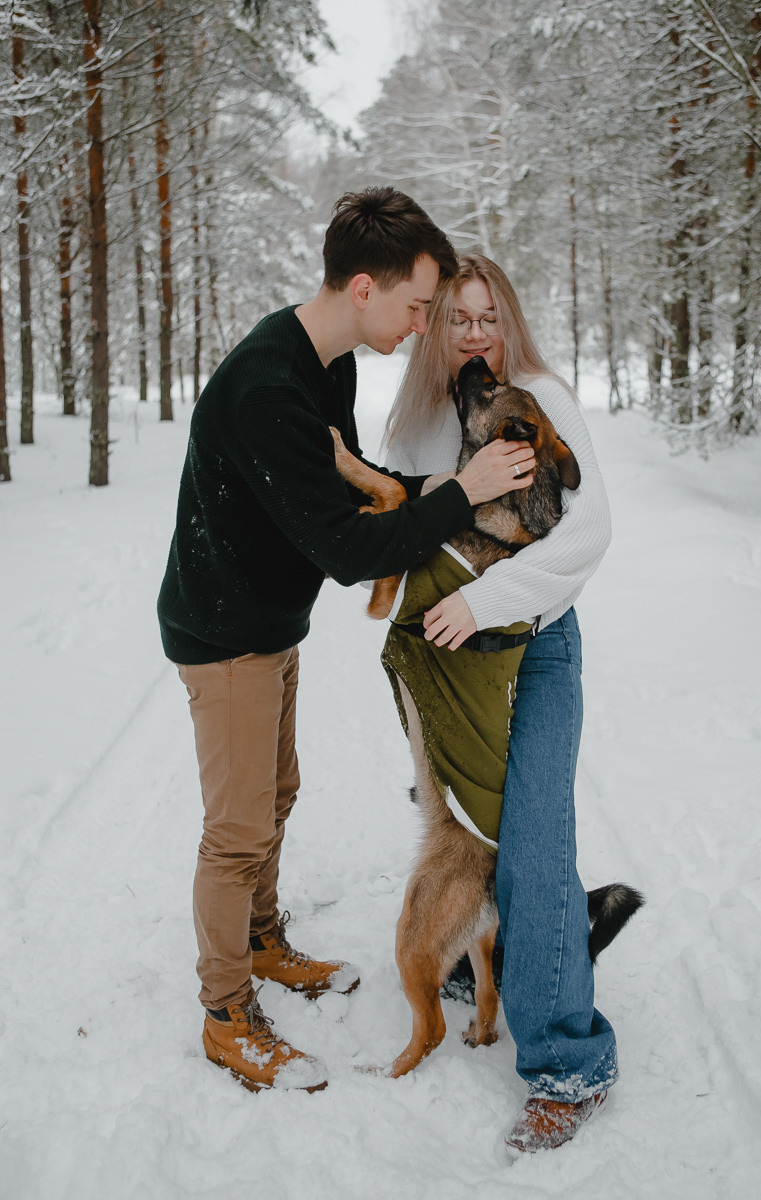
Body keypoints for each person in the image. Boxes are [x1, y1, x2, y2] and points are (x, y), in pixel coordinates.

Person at [157, 191, 536, 1093]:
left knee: (277, 793)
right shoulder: (267, 386)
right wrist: (467, 488)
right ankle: (225, 1012)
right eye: (415, 306)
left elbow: (345, 493)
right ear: (363, 288)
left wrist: (441, 482)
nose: (420, 326)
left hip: (266, 620)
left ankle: (260, 944)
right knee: (238, 826)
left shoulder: (321, 361)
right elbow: (344, 548)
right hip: (224, 633)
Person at [382, 252, 615, 1152]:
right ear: (433, 324)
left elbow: (588, 530)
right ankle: (478, 963)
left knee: (533, 839)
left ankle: (567, 1062)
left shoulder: (538, 397)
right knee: (460, 826)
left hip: (536, 644)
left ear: (505, 318)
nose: (474, 331)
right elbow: (407, 526)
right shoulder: (417, 421)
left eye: (487, 315)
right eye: (456, 317)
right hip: (445, 655)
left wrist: (484, 599)